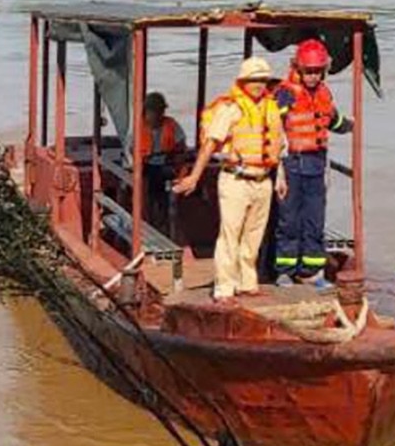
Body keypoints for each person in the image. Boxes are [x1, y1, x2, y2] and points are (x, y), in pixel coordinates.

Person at [174, 57, 287, 302]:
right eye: (254, 80)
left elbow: (278, 147)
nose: (259, 84)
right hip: (236, 179)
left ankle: (248, 283)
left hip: (263, 180)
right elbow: (209, 145)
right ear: (243, 81)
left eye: (263, 80)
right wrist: (194, 176)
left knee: (254, 236)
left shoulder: (271, 108)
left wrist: (280, 177)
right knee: (230, 235)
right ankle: (224, 287)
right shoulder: (231, 109)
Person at [270, 38, 351, 287]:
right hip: (292, 163)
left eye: (317, 71)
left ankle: (311, 272)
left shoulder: (324, 94)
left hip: (316, 163)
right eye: (309, 71)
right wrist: (279, 169)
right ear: (298, 68)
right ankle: (285, 270)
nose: (313, 76)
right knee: (289, 220)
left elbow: (333, 122)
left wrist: (351, 125)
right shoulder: (285, 92)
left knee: (314, 220)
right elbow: (272, 125)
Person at [140, 90, 188, 237]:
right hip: (145, 167)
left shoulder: (171, 125)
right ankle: (148, 222)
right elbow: (131, 150)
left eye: (160, 111)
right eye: (153, 111)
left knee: (162, 185)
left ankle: (163, 224)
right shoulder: (137, 127)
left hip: (167, 166)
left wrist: (173, 157)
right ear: (146, 111)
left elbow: (181, 146)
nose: (157, 115)